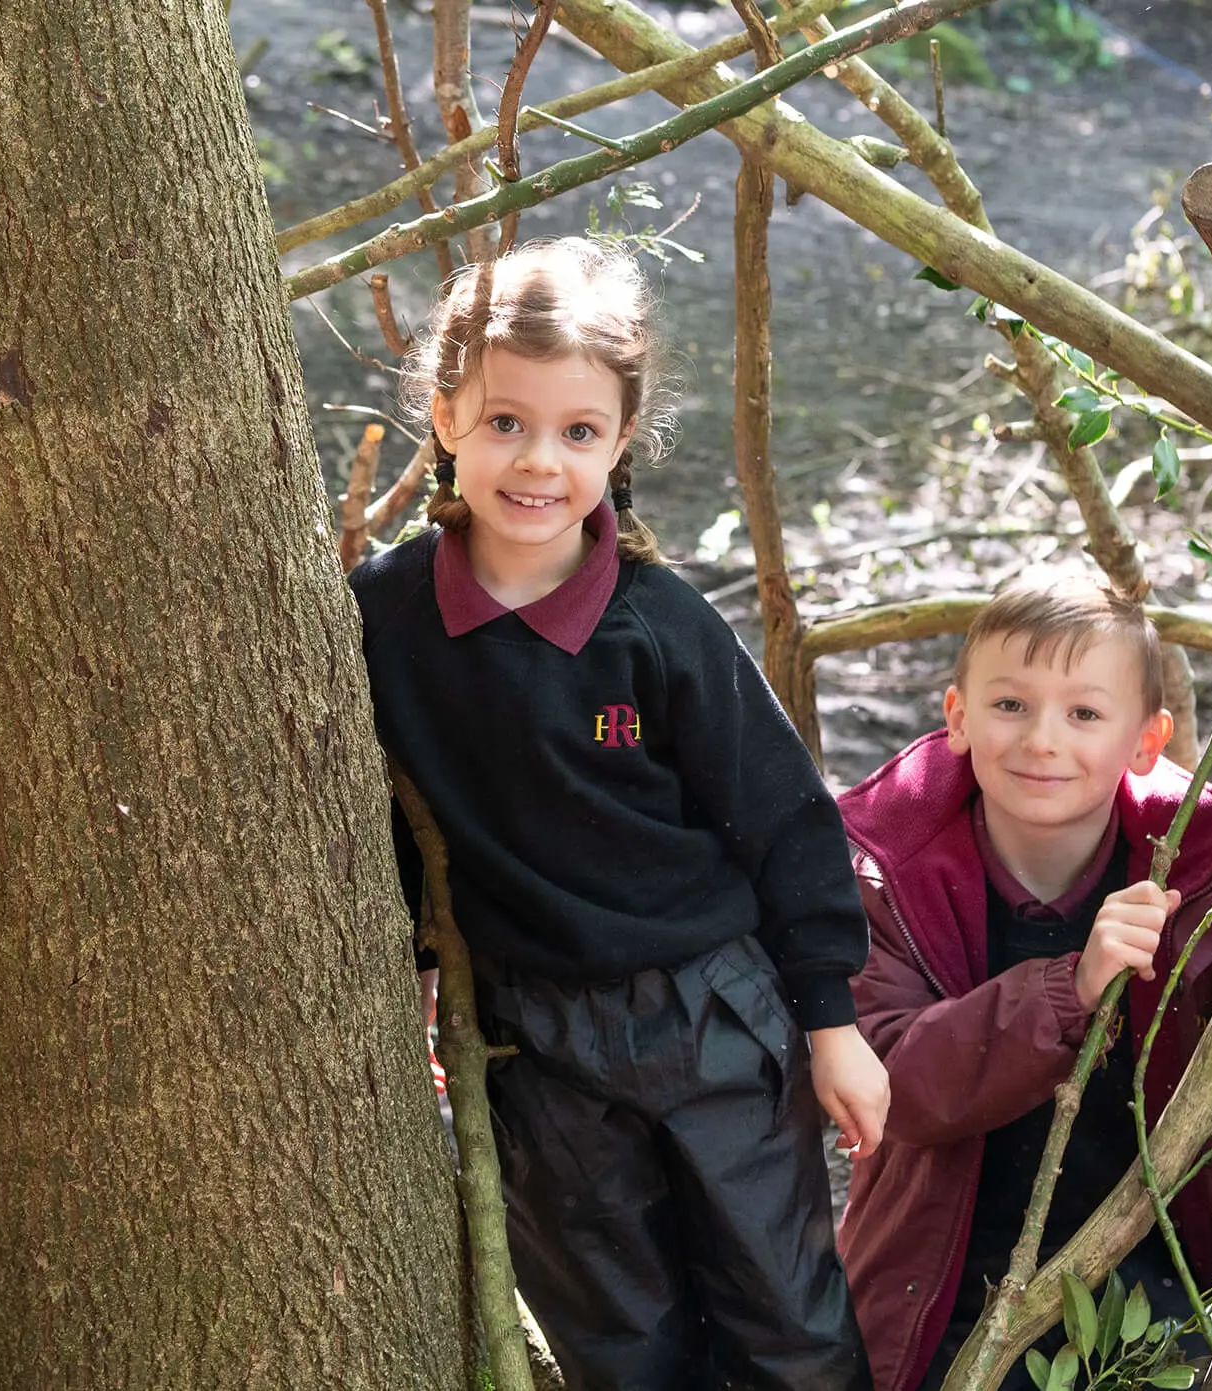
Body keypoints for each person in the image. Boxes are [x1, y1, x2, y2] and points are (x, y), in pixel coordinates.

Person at [348, 238, 886, 1391]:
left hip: (704, 1014)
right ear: (443, 413)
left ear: (620, 440)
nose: (538, 461)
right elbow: (373, 816)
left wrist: (830, 1017)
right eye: (504, 423)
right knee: (619, 1349)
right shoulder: (382, 617)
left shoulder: (658, 627)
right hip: (533, 1043)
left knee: (783, 1324)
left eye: (577, 432)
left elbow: (786, 821)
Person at [836, 578, 1212, 1391]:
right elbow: (890, 1088)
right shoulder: (885, 860)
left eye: (1085, 714)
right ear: (957, 716)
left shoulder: (1209, 852)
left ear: (1147, 740)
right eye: (1010, 705)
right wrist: (1071, 986)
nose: (1042, 740)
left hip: (1150, 1287)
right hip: (937, 1292)